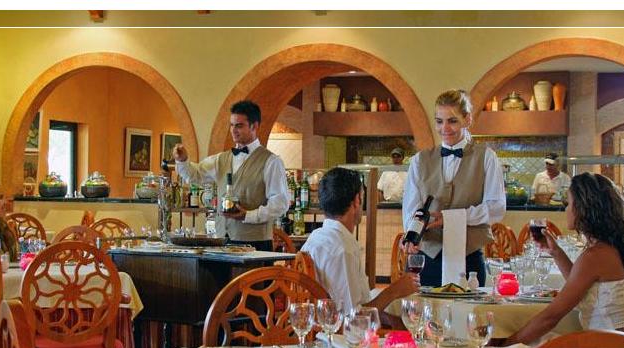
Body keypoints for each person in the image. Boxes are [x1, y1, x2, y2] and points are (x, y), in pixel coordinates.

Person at [505, 173, 624, 345]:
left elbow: (550, 318)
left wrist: (507, 345)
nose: (566, 210)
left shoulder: (594, 256)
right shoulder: (610, 248)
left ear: (583, 209)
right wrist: (556, 252)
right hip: (622, 346)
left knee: (531, 346)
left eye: (568, 203)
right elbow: (581, 286)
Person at [402, 89, 506, 287]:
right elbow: (411, 209)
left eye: (452, 121)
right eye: (439, 121)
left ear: (467, 119)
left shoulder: (486, 157)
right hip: (427, 258)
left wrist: (452, 218)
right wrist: (410, 236)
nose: (445, 128)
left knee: (467, 307)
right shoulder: (419, 160)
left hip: (469, 259)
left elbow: (497, 208)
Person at [173, 100, 289, 251]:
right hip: (222, 241)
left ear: (254, 126)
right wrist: (182, 160)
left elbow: (280, 204)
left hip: (256, 244)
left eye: (239, 125)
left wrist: (248, 216)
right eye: (232, 125)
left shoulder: (271, 161)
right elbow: (195, 175)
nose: (233, 130)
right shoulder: (221, 159)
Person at [302, 167, 419, 315]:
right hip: (334, 328)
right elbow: (353, 318)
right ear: (357, 200)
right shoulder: (342, 250)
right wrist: (394, 291)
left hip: (317, 321)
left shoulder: (315, 237)